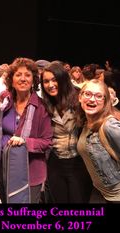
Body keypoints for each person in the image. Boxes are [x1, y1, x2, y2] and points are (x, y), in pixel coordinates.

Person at [0, 57, 53, 203]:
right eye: (18, 75)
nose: (23, 79)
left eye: (27, 75)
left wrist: (24, 142)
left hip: (30, 172)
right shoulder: (5, 103)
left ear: (34, 80)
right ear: (11, 79)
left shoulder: (41, 107)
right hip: (5, 168)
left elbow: (47, 142)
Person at [41, 62, 92, 203]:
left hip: (79, 163)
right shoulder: (44, 104)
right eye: (46, 81)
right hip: (55, 163)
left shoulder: (79, 98)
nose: (50, 85)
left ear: (63, 78)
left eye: (54, 79)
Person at [77, 79, 120, 203]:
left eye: (98, 96)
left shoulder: (109, 126)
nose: (91, 99)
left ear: (105, 102)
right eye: (88, 94)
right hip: (99, 192)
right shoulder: (87, 123)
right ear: (80, 97)